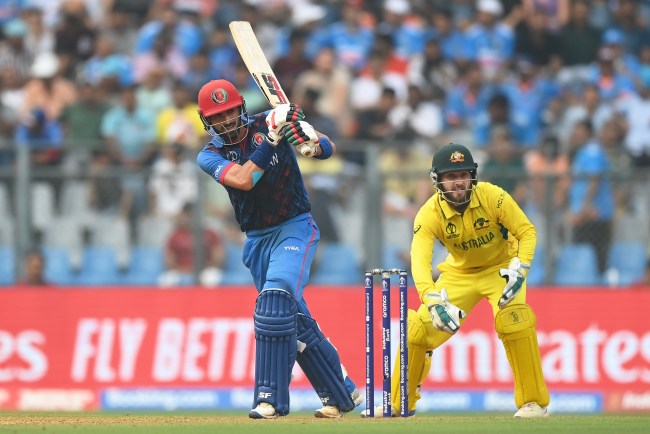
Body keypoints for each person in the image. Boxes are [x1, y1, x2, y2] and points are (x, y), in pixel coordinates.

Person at [195, 79, 361, 419]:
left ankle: (269, 398)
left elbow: (327, 148)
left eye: (229, 112)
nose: (226, 121)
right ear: (206, 120)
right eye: (217, 117)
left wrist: (310, 141)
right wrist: (272, 139)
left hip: (294, 227)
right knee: (293, 320)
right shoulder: (209, 154)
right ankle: (343, 393)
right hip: (257, 240)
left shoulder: (269, 120)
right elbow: (244, 180)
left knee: (274, 302)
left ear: (240, 108)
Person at [366, 143, 549, 418]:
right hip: (458, 274)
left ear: (472, 176)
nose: (458, 182)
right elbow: (420, 261)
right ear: (436, 180)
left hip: (501, 270)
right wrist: (431, 300)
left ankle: (534, 403)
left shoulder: (494, 196)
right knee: (417, 329)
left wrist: (521, 267)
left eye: (463, 175)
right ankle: (399, 402)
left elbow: (527, 232)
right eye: (451, 176)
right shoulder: (429, 213)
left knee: (515, 321)